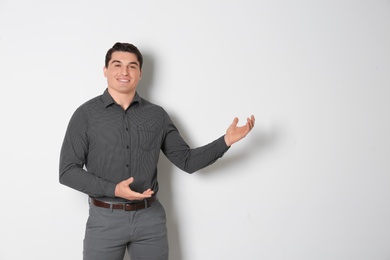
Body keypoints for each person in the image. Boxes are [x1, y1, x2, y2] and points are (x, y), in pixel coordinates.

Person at [59, 42, 255, 260]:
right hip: (105, 219)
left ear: (140, 73)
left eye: (132, 66)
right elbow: (67, 171)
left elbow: (187, 161)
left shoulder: (156, 115)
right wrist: (114, 189)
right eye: (117, 65)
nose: (124, 72)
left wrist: (226, 141)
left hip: (149, 220)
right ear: (105, 70)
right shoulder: (85, 115)